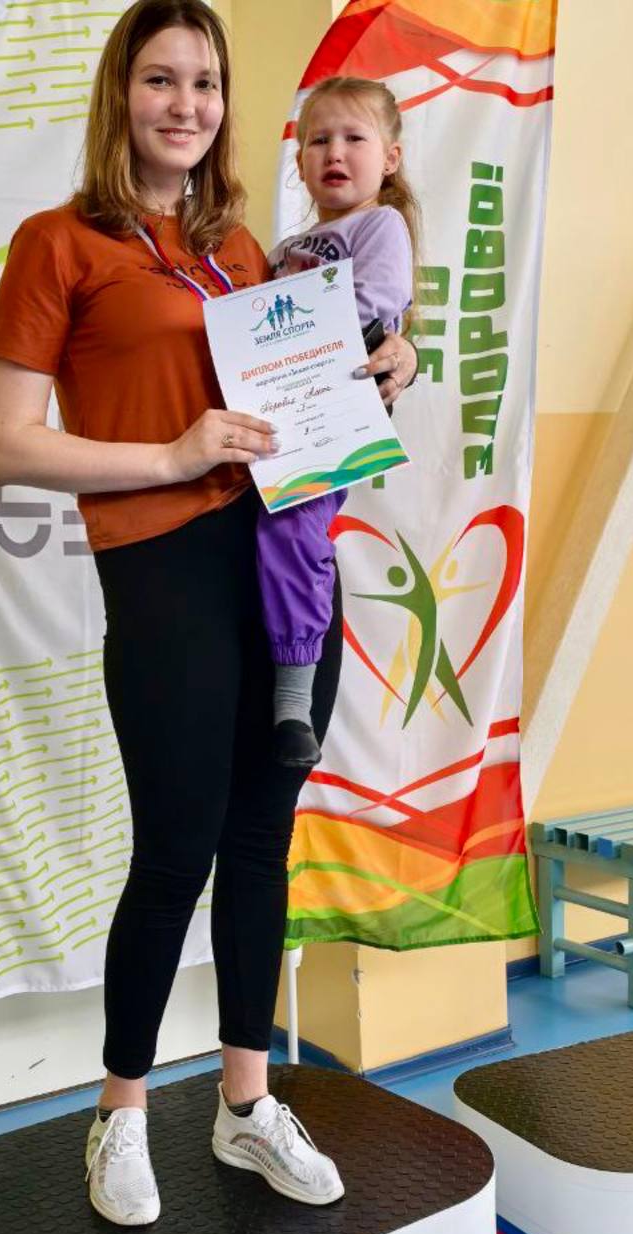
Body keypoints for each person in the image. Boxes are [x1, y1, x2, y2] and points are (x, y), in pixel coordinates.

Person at [0, 0, 418, 1229]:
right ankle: (119, 1111)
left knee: (260, 844)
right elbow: (8, 445)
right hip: (162, 566)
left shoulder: (243, 248)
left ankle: (244, 1100)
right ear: (121, 93)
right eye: (161, 79)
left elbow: (322, 375)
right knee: (175, 848)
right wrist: (172, 454)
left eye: (206, 83)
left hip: (282, 569)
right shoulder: (56, 243)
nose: (186, 104)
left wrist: (394, 362)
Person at [261, 75, 421, 768]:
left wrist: (279, 331)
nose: (335, 152)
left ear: (389, 157)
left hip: (329, 417)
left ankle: (293, 699)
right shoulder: (286, 248)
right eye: (318, 140)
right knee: (261, 536)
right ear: (299, 163)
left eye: (355, 138)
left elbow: (376, 298)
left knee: (295, 532)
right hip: (276, 410)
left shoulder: (379, 226)